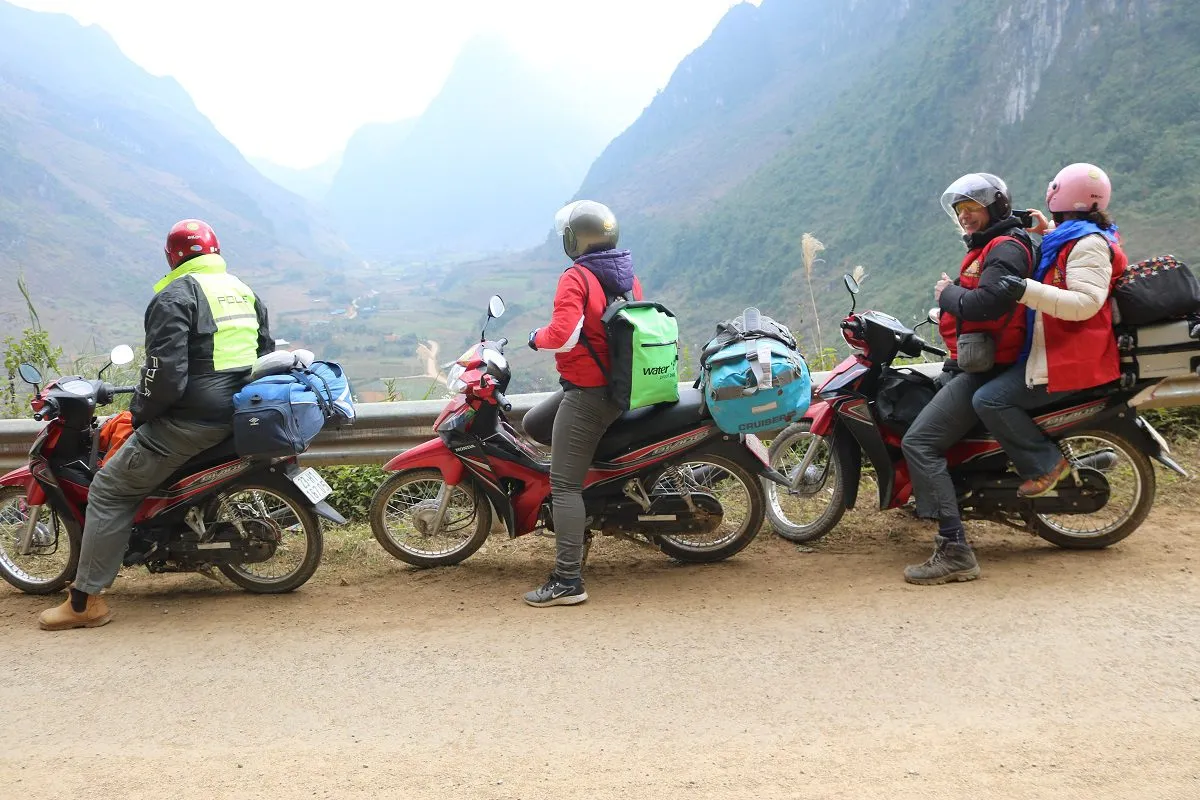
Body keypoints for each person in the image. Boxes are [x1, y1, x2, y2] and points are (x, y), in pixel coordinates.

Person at [39, 219, 273, 630]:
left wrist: (142, 414)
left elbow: (164, 376)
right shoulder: (242, 290)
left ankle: (84, 603)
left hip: (193, 421)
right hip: (239, 411)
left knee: (109, 490)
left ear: (172, 256)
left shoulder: (176, 296)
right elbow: (265, 351)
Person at [901, 173, 1035, 585]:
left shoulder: (1006, 248)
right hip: (973, 363)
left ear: (996, 208)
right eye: (960, 211)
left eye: (973, 209)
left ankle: (955, 548)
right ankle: (941, 498)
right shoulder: (993, 246)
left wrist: (946, 295)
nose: (965, 217)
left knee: (919, 443)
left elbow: (990, 305)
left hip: (987, 369)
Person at [973, 163, 1127, 496]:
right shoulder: (1075, 235)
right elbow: (1067, 267)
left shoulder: (1089, 243)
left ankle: (1046, 464)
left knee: (989, 400)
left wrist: (1024, 289)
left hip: (1072, 359)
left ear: (1063, 195)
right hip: (1058, 349)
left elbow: (1086, 302)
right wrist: (1046, 232)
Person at [523, 200, 642, 607]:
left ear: (576, 240)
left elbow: (562, 334)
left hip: (591, 393)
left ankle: (567, 581)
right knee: (534, 424)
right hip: (613, 386)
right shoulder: (625, 275)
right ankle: (591, 506)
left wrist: (535, 337)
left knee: (563, 486)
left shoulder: (577, 276)